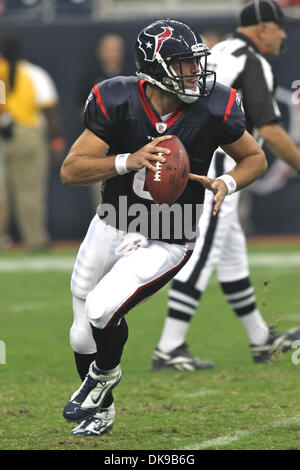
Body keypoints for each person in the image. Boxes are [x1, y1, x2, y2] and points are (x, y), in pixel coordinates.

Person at [60, 18, 266, 437]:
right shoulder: (116, 98)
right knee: (81, 334)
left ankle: (104, 375)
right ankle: (102, 410)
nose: (195, 73)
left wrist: (226, 182)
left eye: (195, 63)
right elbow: (71, 170)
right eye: (184, 65)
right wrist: (127, 160)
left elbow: (254, 158)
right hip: (113, 221)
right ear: (155, 67)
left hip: (167, 234)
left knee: (103, 308)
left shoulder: (214, 106)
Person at [151, 0, 300, 372]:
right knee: (200, 253)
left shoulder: (219, 51)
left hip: (197, 154)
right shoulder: (252, 61)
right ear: (263, 28)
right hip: (218, 166)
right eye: (278, 27)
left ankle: (260, 338)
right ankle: (169, 347)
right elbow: (269, 131)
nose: (283, 34)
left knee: (231, 256)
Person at [0, 36, 65, 251]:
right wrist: (56, 139)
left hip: (3, 134)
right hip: (28, 134)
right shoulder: (34, 74)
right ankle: (35, 240)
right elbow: (49, 111)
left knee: (2, 192)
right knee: (30, 191)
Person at [78, 33, 128, 212]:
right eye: (109, 49)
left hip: (128, 142)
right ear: (100, 52)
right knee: (100, 191)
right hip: (101, 142)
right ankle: (103, 227)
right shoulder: (92, 76)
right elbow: (81, 109)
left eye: (116, 50)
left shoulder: (131, 76)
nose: (113, 54)